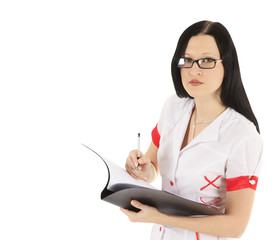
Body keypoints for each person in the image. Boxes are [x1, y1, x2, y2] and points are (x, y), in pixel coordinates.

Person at [121, 20, 263, 240]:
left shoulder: (242, 136)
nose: (194, 70)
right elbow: (152, 167)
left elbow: (236, 226)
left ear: (228, 65)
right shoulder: (173, 108)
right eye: (187, 60)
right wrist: (141, 168)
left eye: (207, 60)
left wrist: (159, 217)